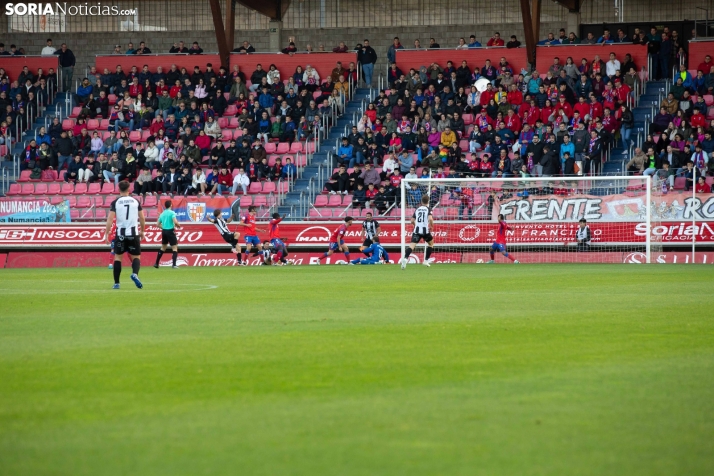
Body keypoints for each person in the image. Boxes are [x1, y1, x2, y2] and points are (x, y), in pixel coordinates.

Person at [105, 181, 145, 289]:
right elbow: (142, 217)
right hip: (133, 233)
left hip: (121, 234)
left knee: (118, 257)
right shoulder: (135, 201)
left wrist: (106, 233)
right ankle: (135, 274)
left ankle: (117, 283)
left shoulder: (116, 202)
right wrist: (142, 231)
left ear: (119, 189)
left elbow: (110, 219)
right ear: (129, 189)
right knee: (136, 256)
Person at [400, 194, 435, 269]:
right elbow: (430, 219)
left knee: (412, 246)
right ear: (428, 201)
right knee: (431, 244)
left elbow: (412, 220)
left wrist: (416, 225)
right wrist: (432, 226)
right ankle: (425, 260)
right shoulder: (428, 209)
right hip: (425, 231)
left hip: (417, 230)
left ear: (421, 201)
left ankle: (405, 259)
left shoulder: (417, 209)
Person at [154, 201, 182, 269]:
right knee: (174, 247)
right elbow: (175, 221)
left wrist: (163, 227)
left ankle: (156, 263)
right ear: (171, 205)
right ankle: (174, 264)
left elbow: (157, 224)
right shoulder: (172, 212)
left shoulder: (162, 214)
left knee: (163, 247)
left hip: (164, 231)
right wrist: (178, 225)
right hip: (170, 231)